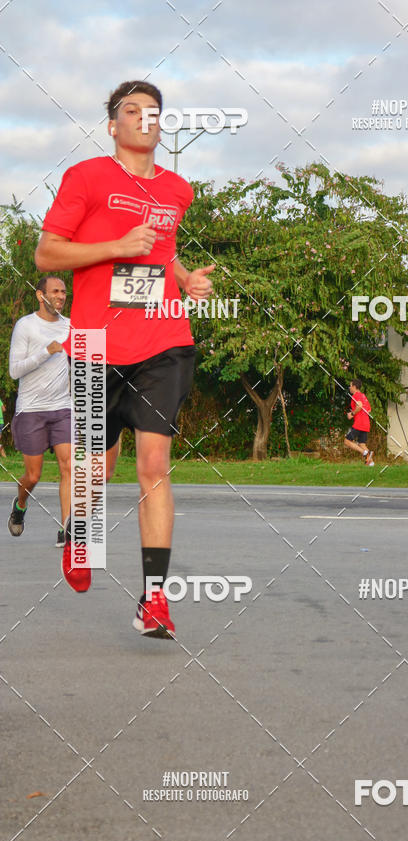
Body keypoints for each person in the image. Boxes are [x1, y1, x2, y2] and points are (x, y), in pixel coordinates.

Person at [35, 80, 214, 639]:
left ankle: (154, 600)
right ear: (113, 125)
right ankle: (79, 534)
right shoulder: (85, 177)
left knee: (154, 467)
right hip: (94, 343)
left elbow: (163, 251)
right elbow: (48, 252)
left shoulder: (179, 190)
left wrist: (186, 279)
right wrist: (116, 248)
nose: (144, 118)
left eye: (153, 111)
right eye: (131, 111)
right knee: (98, 469)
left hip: (163, 340)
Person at [7, 277, 71, 545]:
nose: (60, 296)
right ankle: (20, 505)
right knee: (33, 476)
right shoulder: (26, 326)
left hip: (63, 408)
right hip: (31, 410)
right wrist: (46, 351)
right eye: (55, 291)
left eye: (64, 292)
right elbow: (14, 371)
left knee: (70, 466)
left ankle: (67, 530)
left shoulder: (70, 326)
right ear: (40, 295)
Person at [344, 379, 374, 465]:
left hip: (359, 423)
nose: (349, 388)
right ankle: (371, 463)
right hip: (366, 423)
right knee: (362, 444)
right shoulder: (363, 396)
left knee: (347, 441)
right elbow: (369, 409)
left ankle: (364, 453)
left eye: (350, 386)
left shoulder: (356, 395)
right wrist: (355, 411)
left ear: (354, 387)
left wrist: (352, 414)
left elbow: (360, 406)